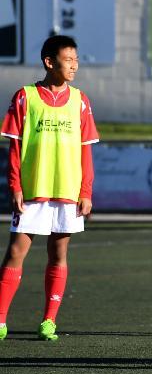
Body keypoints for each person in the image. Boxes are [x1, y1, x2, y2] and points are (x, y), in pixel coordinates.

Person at [0, 35, 100, 342]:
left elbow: (86, 150)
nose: (74, 65)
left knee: (59, 253)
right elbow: (14, 148)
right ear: (49, 62)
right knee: (16, 251)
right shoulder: (24, 97)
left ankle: (49, 321)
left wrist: (86, 191)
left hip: (67, 191)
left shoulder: (80, 100)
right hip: (33, 190)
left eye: (76, 60)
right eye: (68, 60)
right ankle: (0, 319)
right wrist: (15, 186)